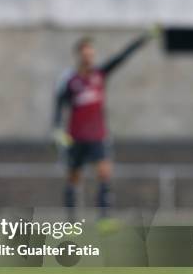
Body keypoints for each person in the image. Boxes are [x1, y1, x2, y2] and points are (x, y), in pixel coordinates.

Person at [53, 30, 157, 220]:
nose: (89, 58)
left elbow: (122, 56)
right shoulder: (70, 80)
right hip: (75, 137)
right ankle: (71, 220)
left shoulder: (100, 74)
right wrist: (58, 129)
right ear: (79, 55)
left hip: (97, 136)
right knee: (73, 179)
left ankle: (104, 218)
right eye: (85, 54)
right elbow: (59, 104)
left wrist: (145, 38)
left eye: (91, 54)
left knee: (104, 173)